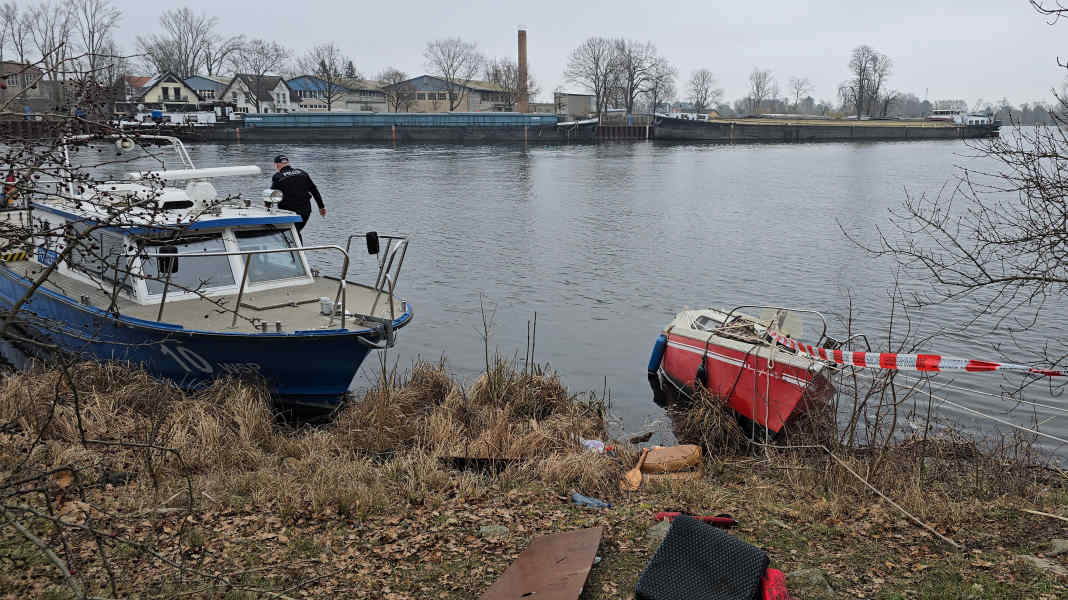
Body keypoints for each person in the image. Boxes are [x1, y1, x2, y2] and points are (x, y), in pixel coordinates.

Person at [269, 155, 326, 236]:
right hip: (306, 211)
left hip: (289, 212)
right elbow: (314, 190)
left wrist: (267, 207)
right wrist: (321, 207)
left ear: (277, 165)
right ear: (288, 163)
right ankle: (298, 247)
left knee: (293, 233)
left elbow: (272, 194)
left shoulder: (278, 176)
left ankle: (298, 248)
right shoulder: (302, 173)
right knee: (295, 231)